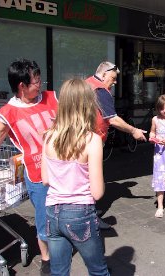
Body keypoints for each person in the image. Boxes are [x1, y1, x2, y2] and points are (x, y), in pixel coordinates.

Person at [0, 59, 57, 276]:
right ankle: (47, 259)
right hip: (38, 173)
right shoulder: (8, 112)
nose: (40, 84)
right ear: (21, 86)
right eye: (36, 81)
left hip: (64, 168)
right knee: (44, 218)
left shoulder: (52, 98)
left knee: (65, 212)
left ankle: (63, 247)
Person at [41, 78, 110, 276]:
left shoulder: (48, 136)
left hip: (52, 212)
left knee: (59, 271)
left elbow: (45, 179)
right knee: (98, 270)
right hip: (80, 212)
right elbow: (97, 193)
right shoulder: (92, 139)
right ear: (88, 105)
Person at [86, 61, 146, 229]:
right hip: (91, 142)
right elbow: (112, 119)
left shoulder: (87, 83)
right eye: (112, 78)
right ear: (103, 74)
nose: (115, 82)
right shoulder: (100, 90)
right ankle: (90, 218)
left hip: (82, 139)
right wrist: (133, 130)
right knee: (91, 181)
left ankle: (88, 212)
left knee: (85, 179)